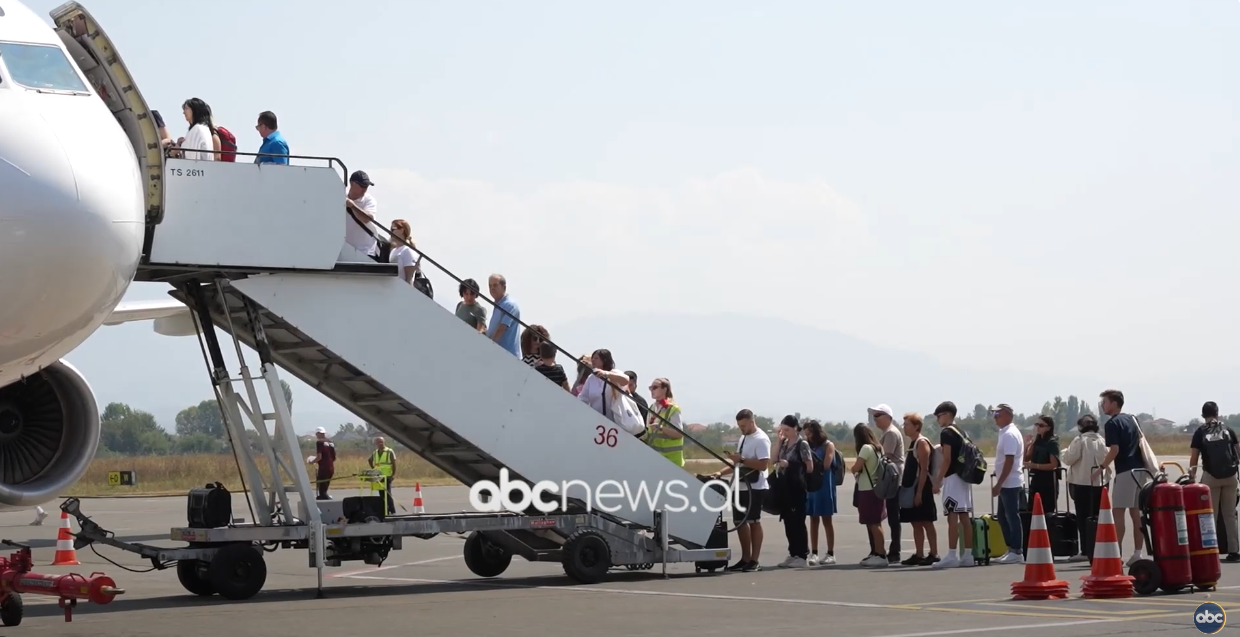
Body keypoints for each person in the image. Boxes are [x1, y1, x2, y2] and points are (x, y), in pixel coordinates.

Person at [1092, 389, 1151, 566]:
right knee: (1136, 512)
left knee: (1118, 511)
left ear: (1114, 403)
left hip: (1125, 471)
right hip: (1140, 470)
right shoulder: (1132, 419)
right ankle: (1138, 552)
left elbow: (1115, 450)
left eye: (1105, 402)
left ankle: (1116, 553)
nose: (1103, 405)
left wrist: (1101, 467)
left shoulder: (1112, 423)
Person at [710, 409, 770, 573]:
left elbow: (763, 465)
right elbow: (737, 464)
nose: (741, 429)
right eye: (739, 426)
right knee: (739, 522)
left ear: (751, 422)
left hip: (755, 487)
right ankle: (745, 558)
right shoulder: (744, 438)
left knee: (754, 522)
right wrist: (720, 473)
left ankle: (754, 560)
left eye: (743, 426)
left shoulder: (761, 439)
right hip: (741, 485)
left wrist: (742, 459)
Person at [1189, 401, 1240, 561]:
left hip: (1211, 477)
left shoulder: (1200, 432)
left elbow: (1194, 457)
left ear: (1203, 415)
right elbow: (1238, 451)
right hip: (1231, 477)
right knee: (1230, 514)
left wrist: (1192, 477)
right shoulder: (1228, 429)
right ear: (1217, 413)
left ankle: (1211, 550)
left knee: (1211, 515)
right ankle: (1234, 550)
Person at [932, 401, 975, 569]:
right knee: (964, 517)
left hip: (953, 478)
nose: (938, 420)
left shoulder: (947, 433)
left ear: (948, 415)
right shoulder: (961, 432)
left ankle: (951, 555)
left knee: (952, 516)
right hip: (964, 478)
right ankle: (968, 555)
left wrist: (938, 480)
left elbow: (947, 459)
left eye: (939, 416)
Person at [1061, 413, 1110, 561]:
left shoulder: (1079, 440)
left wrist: (1064, 451)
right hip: (1101, 483)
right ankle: (1100, 548)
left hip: (1082, 483)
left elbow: (1068, 459)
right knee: (1099, 517)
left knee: (1083, 518)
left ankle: (1085, 550)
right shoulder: (1102, 441)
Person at [899, 413, 939, 565]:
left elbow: (924, 469)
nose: (904, 427)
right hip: (912, 487)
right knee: (915, 521)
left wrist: (919, 492)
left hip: (922, 487)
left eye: (907, 425)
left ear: (916, 426)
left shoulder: (921, 443)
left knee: (927, 521)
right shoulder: (913, 443)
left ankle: (934, 553)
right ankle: (919, 553)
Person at [773, 415, 812, 568]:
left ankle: (802, 555)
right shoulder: (784, 443)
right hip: (785, 487)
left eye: (787, 430)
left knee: (798, 522)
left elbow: (809, 467)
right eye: (782, 430)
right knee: (788, 521)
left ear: (795, 428)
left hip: (797, 487)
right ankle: (793, 552)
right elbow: (773, 459)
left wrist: (790, 464)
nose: (785, 432)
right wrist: (779, 441)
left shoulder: (802, 444)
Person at [868, 404, 906, 563]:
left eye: (878, 416)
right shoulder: (887, 432)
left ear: (888, 417)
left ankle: (895, 551)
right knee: (892, 516)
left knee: (893, 517)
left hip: (892, 480)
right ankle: (892, 550)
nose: (875, 419)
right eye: (874, 416)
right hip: (891, 479)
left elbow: (886, 457)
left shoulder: (890, 433)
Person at [992, 403, 1025, 565]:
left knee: (1011, 517)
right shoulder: (1005, 433)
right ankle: (1011, 548)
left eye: (998, 415)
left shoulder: (1010, 434)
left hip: (1010, 483)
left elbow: (1009, 460)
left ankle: (1017, 550)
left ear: (1007, 415)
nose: (995, 418)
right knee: (1003, 517)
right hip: (1007, 482)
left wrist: (999, 483)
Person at [851, 423, 888, 567]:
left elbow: (857, 467)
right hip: (877, 488)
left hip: (867, 489)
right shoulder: (878, 448)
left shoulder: (866, 448)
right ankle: (878, 552)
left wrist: (853, 468)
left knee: (873, 523)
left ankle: (880, 554)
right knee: (875, 522)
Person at [803, 420, 837, 566]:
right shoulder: (808, 445)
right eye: (806, 434)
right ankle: (814, 552)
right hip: (812, 486)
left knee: (827, 520)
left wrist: (811, 461)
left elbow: (826, 464)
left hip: (824, 486)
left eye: (810, 433)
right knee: (813, 519)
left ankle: (830, 553)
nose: (808, 437)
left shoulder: (828, 445)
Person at [1023, 415, 1061, 514]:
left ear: (1048, 428)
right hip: (1036, 480)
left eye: (1041, 425)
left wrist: (1035, 466)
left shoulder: (1052, 442)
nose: (1038, 427)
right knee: (1032, 510)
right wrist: (1026, 446)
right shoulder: (1037, 441)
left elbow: (1053, 465)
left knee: (1046, 511)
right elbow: (1026, 458)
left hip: (1048, 482)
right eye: (1036, 424)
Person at [645, 378, 684, 466]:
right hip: (656, 459)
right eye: (650, 388)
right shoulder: (652, 407)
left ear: (665, 389)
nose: (651, 390)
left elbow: (679, 433)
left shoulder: (673, 409)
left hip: (671, 460)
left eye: (655, 387)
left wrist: (661, 428)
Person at [486, 274, 521, 357]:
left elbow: (501, 329)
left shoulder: (510, 305)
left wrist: (489, 346)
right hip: (498, 353)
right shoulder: (499, 305)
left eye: (495, 285)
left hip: (508, 355)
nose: (492, 288)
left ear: (504, 287)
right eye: (490, 286)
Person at [368, 436, 397, 515]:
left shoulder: (389, 451)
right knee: (381, 495)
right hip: (378, 477)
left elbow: (394, 463)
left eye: (381, 442)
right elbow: (369, 460)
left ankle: (392, 511)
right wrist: (373, 469)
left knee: (388, 494)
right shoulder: (375, 452)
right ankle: (385, 511)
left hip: (387, 476)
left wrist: (393, 475)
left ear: (384, 442)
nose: (380, 443)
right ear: (375, 443)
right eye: (378, 442)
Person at [309, 427, 337, 500]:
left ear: (318, 433)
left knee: (321, 487)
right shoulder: (331, 442)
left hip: (323, 468)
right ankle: (325, 496)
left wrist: (312, 461)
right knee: (325, 486)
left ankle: (324, 498)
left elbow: (319, 457)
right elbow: (334, 457)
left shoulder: (319, 443)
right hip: (331, 467)